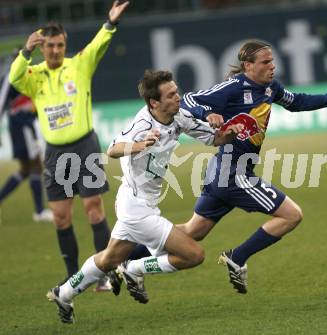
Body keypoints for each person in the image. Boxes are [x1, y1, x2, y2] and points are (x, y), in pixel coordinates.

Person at [46, 69, 243, 323]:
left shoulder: (178, 117)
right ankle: (134, 268)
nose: (178, 97)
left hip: (138, 202)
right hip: (136, 208)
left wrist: (231, 131)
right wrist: (141, 145)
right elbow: (113, 150)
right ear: (154, 102)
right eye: (171, 95)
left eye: (176, 91)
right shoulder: (143, 124)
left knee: (109, 258)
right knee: (194, 255)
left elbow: (216, 139)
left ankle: (63, 293)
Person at [175, 39, 327, 294]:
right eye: (265, 62)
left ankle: (129, 252)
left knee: (191, 232)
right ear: (248, 65)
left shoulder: (270, 87)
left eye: (272, 61)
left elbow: (296, 102)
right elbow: (187, 100)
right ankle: (237, 257)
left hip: (224, 172)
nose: (272, 66)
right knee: (291, 215)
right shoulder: (233, 87)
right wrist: (207, 114)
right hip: (233, 174)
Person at [8, 0, 129, 289]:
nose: (54, 51)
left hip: (84, 146)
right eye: (49, 46)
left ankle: (105, 273)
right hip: (55, 153)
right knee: (61, 218)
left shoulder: (79, 65)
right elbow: (13, 77)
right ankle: (75, 277)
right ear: (42, 47)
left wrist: (110, 22)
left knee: (94, 209)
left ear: (65, 45)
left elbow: (99, 43)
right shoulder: (34, 75)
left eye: (59, 45)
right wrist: (25, 51)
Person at [0, 69, 53, 222]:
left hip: (20, 125)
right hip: (22, 126)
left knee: (25, 169)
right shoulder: (14, 78)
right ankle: (39, 211)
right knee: (36, 165)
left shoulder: (24, 77)